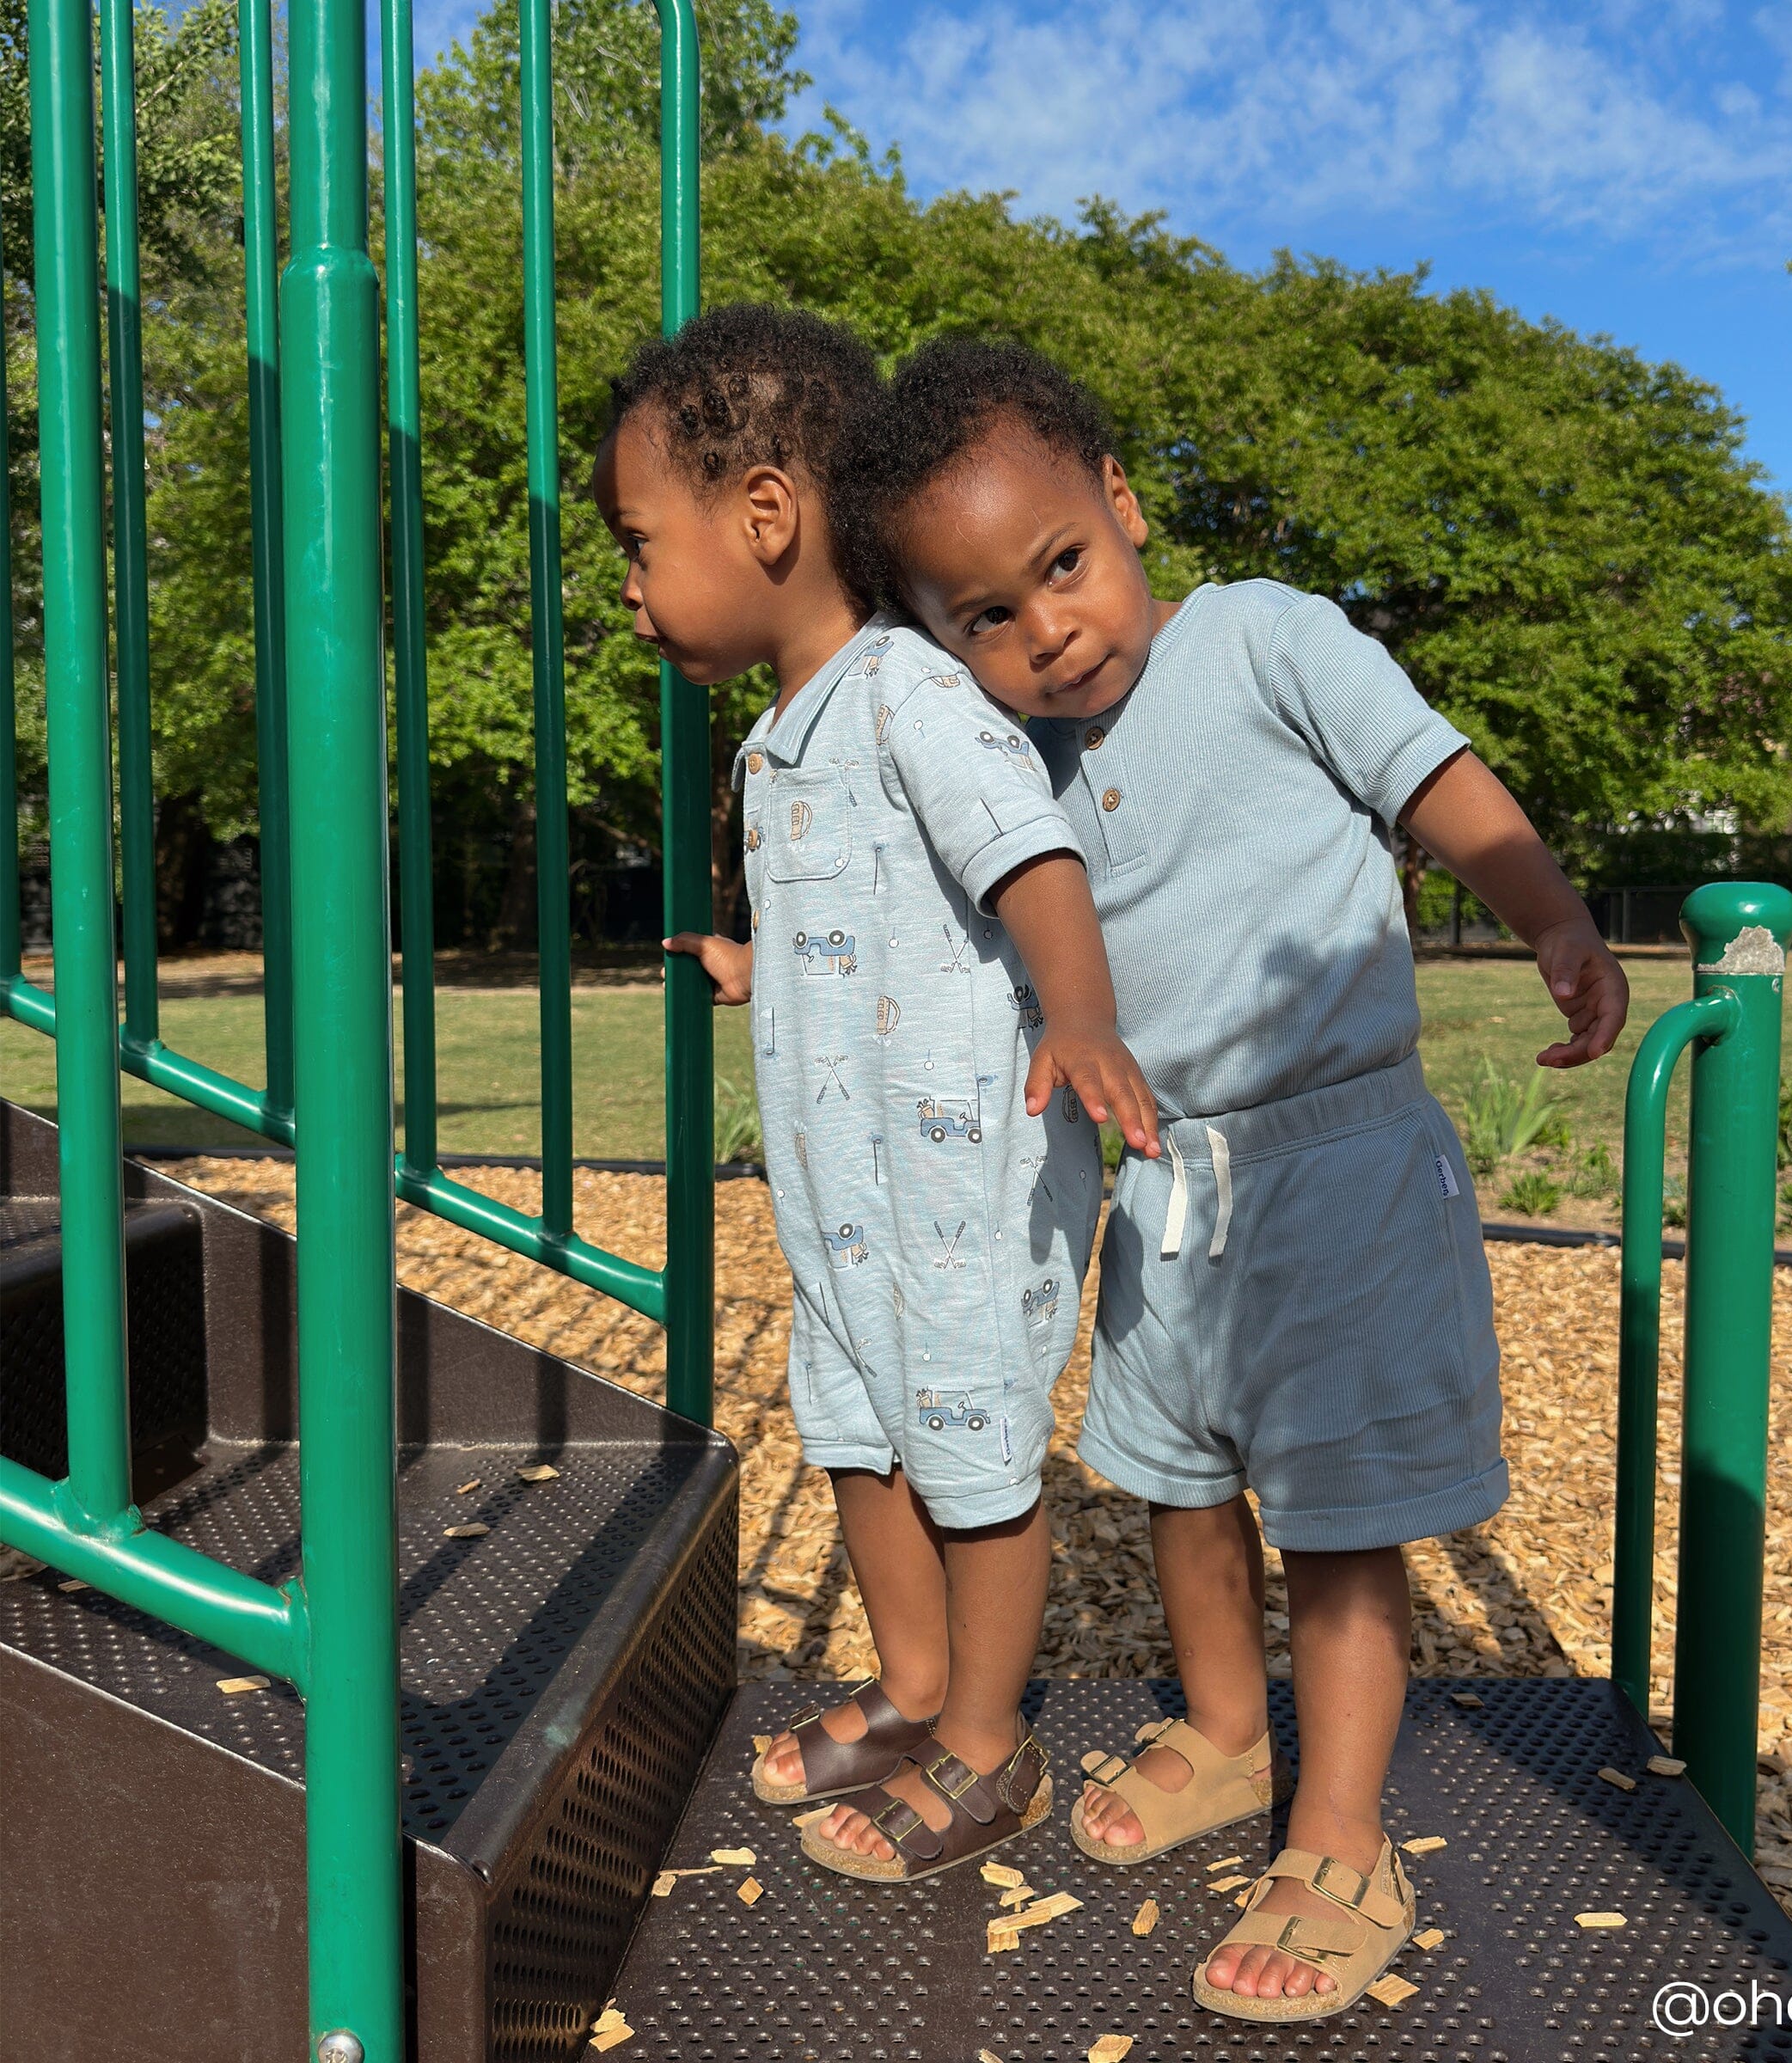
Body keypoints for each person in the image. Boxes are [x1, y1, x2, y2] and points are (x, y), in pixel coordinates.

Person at [833, 339, 1630, 2018]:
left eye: (1062, 565)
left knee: (1338, 1513)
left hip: (1336, 1149)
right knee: (1177, 1480)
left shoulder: (1263, 637)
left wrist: (1547, 911)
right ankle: (1221, 1731)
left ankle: (1341, 1830)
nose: (1044, 627)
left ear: (1122, 506)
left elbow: (1435, 779)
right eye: (985, 614)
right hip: (1170, 1178)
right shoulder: (1013, 764)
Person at [595, 307, 1159, 1882]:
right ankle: (916, 1690)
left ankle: (993, 1743)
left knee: (968, 1444)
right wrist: (761, 966)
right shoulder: (785, 735)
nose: (633, 590)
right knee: (856, 1428)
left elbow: (1027, 861)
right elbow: (879, 916)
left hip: (959, 1165)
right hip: (844, 1186)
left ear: (765, 515)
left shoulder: (912, 688)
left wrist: (1092, 1020)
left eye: (642, 545)